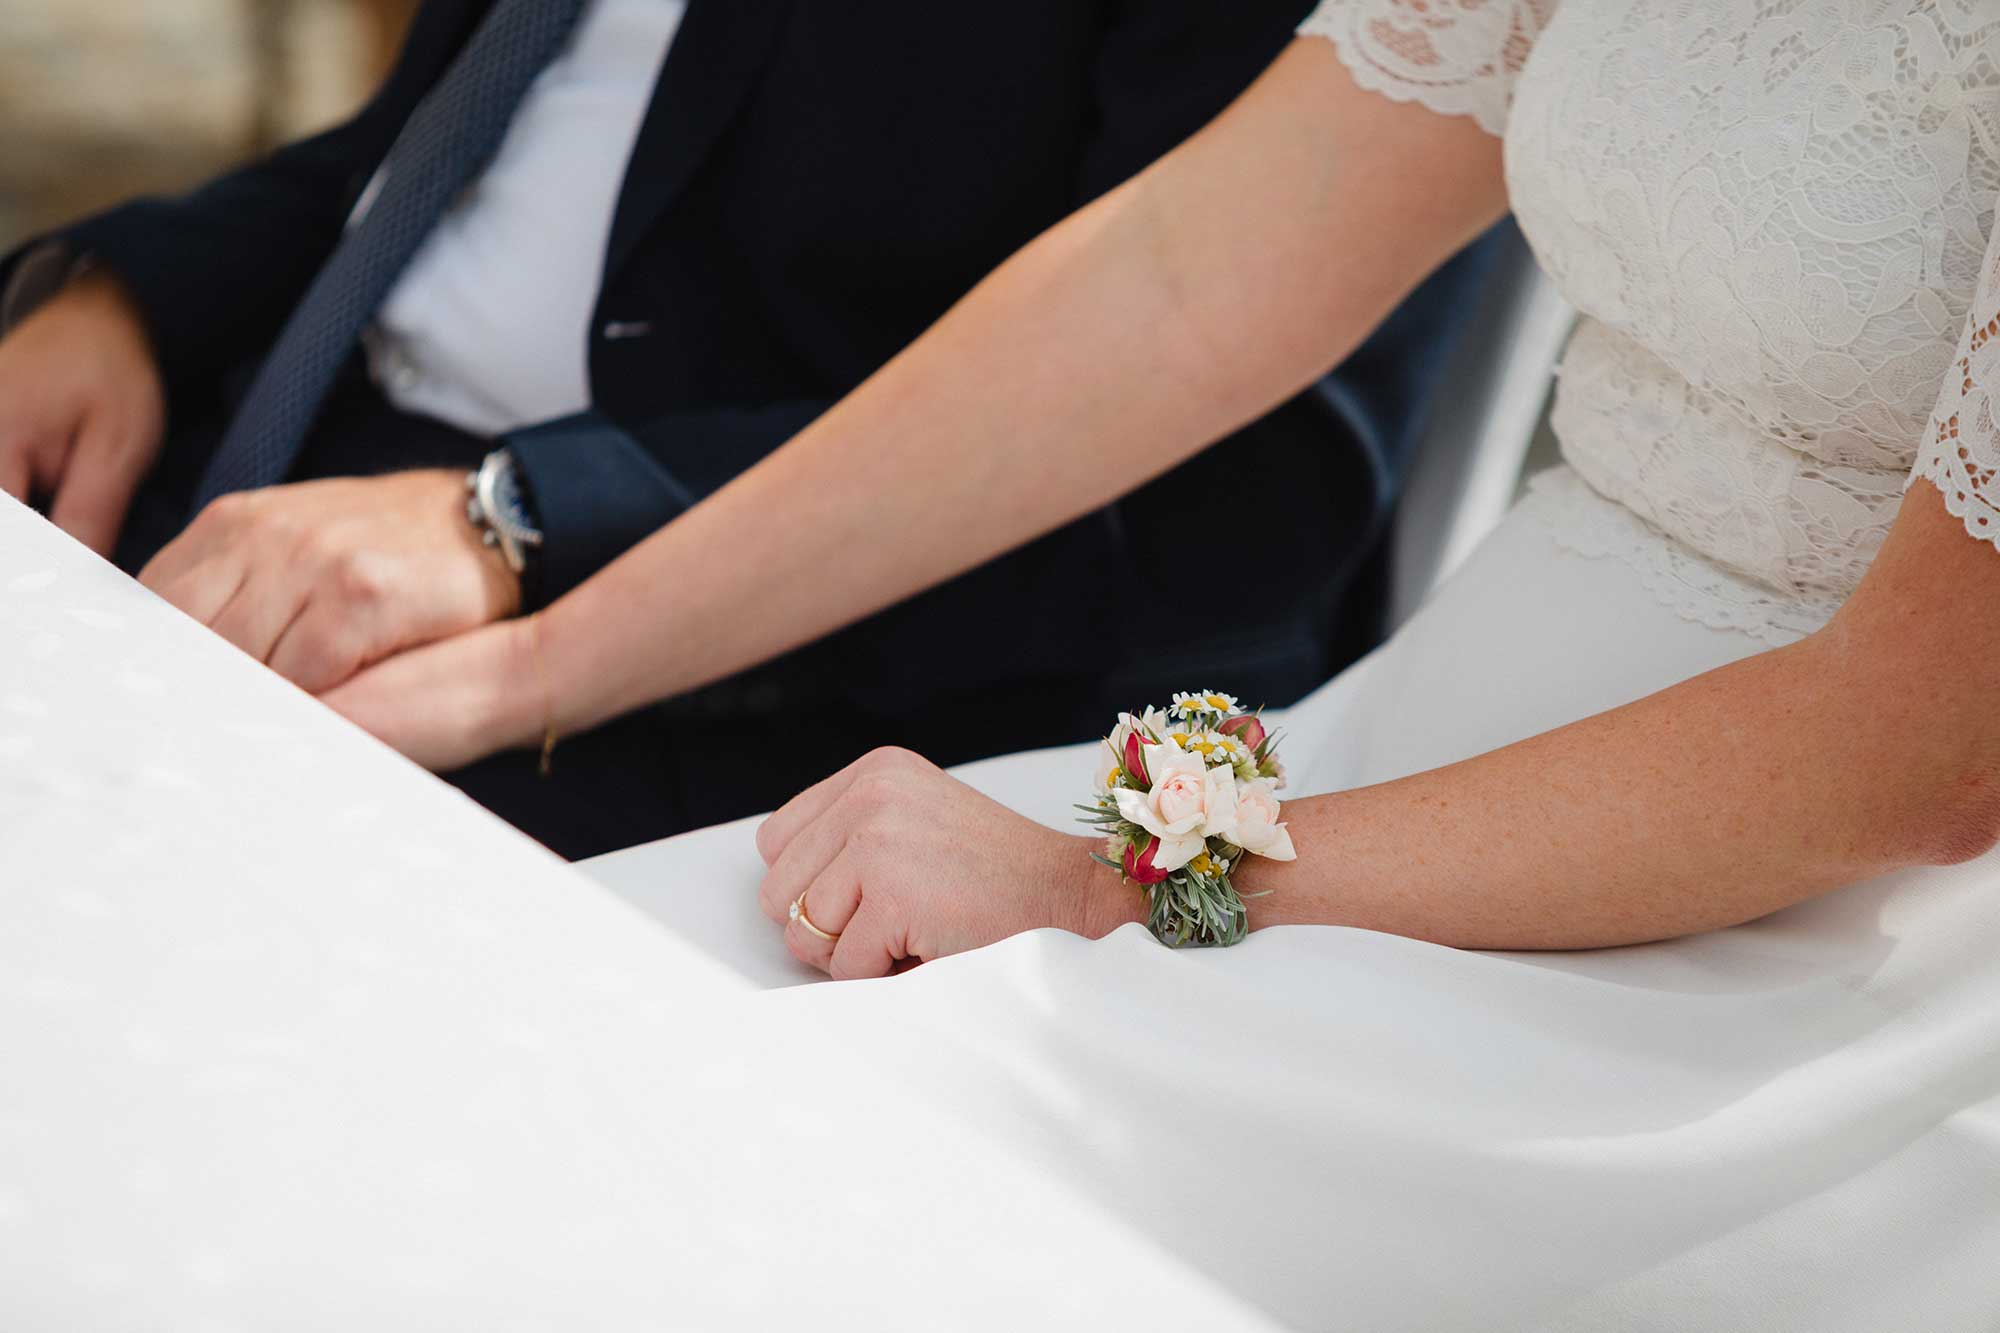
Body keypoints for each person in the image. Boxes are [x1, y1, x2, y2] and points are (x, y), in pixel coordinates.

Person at [0, 0, 1481, 860]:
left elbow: (1239, 476)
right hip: (288, 450)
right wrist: (127, 293)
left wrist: (524, 527)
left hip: (803, 667)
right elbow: (467, 142)